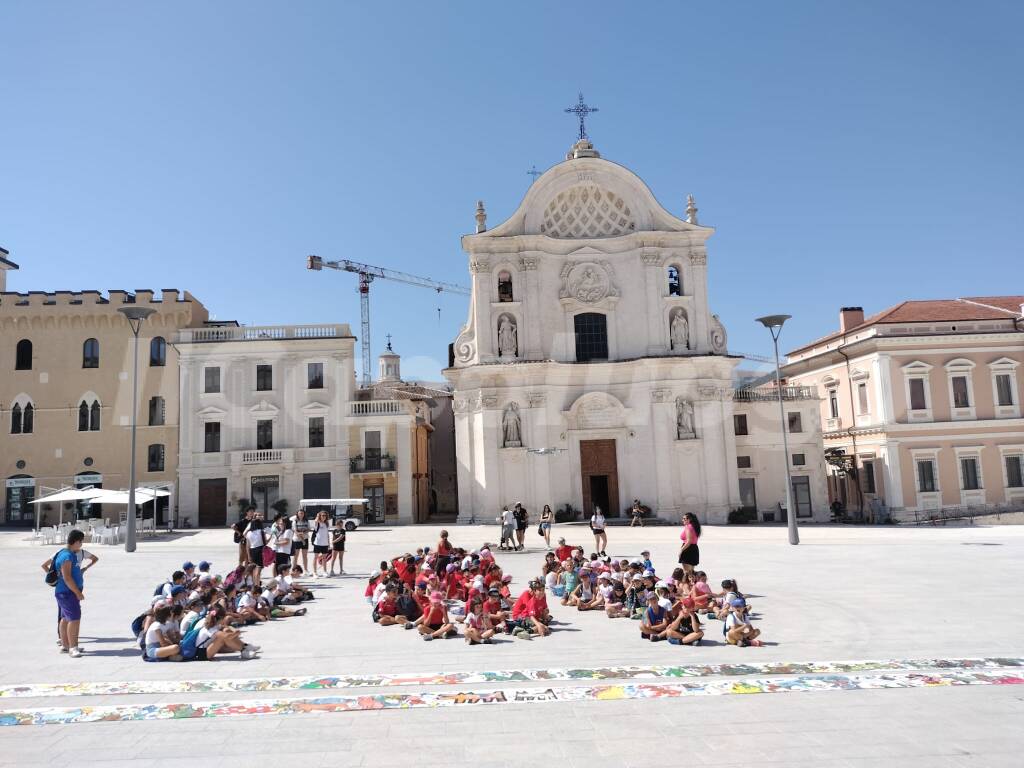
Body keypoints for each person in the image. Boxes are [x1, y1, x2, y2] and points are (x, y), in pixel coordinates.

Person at [51, 530, 87, 657]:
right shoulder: (67, 556)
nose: (81, 545)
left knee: (65, 618)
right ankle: (73, 647)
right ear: (76, 541)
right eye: (81, 542)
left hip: (65, 592)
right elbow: (67, 577)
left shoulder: (65, 553)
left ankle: (66, 645)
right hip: (67, 592)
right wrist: (77, 592)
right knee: (75, 619)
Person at [243, 515, 268, 579]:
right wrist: (270, 537)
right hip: (260, 550)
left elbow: (247, 546)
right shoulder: (261, 531)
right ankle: (257, 585)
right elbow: (265, 542)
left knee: (253, 568)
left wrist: (249, 556)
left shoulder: (248, 533)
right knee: (259, 569)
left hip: (252, 551)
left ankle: (254, 584)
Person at [310, 510, 331, 577]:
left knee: (324, 558)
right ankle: (314, 572)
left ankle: (325, 571)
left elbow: (327, 534)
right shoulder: (317, 523)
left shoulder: (326, 524)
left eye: (325, 515)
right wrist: (318, 515)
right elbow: (316, 520)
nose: (324, 517)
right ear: (320, 516)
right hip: (317, 543)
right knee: (315, 558)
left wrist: (328, 544)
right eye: (322, 515)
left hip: (325, 544)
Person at [290, 508, 311, 572]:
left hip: (305, 538)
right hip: (297, 540)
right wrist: (302, 540)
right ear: (297, 514)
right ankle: (294, 569)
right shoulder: (295, 521)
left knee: (305, 556)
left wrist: (303, 533)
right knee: (296, 556)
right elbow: (295, 531)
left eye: (302, 513)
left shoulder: (307, 521)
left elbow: (308, 529)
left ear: (304, 514)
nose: (301, 514)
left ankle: (306, 570)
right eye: (300, 513)